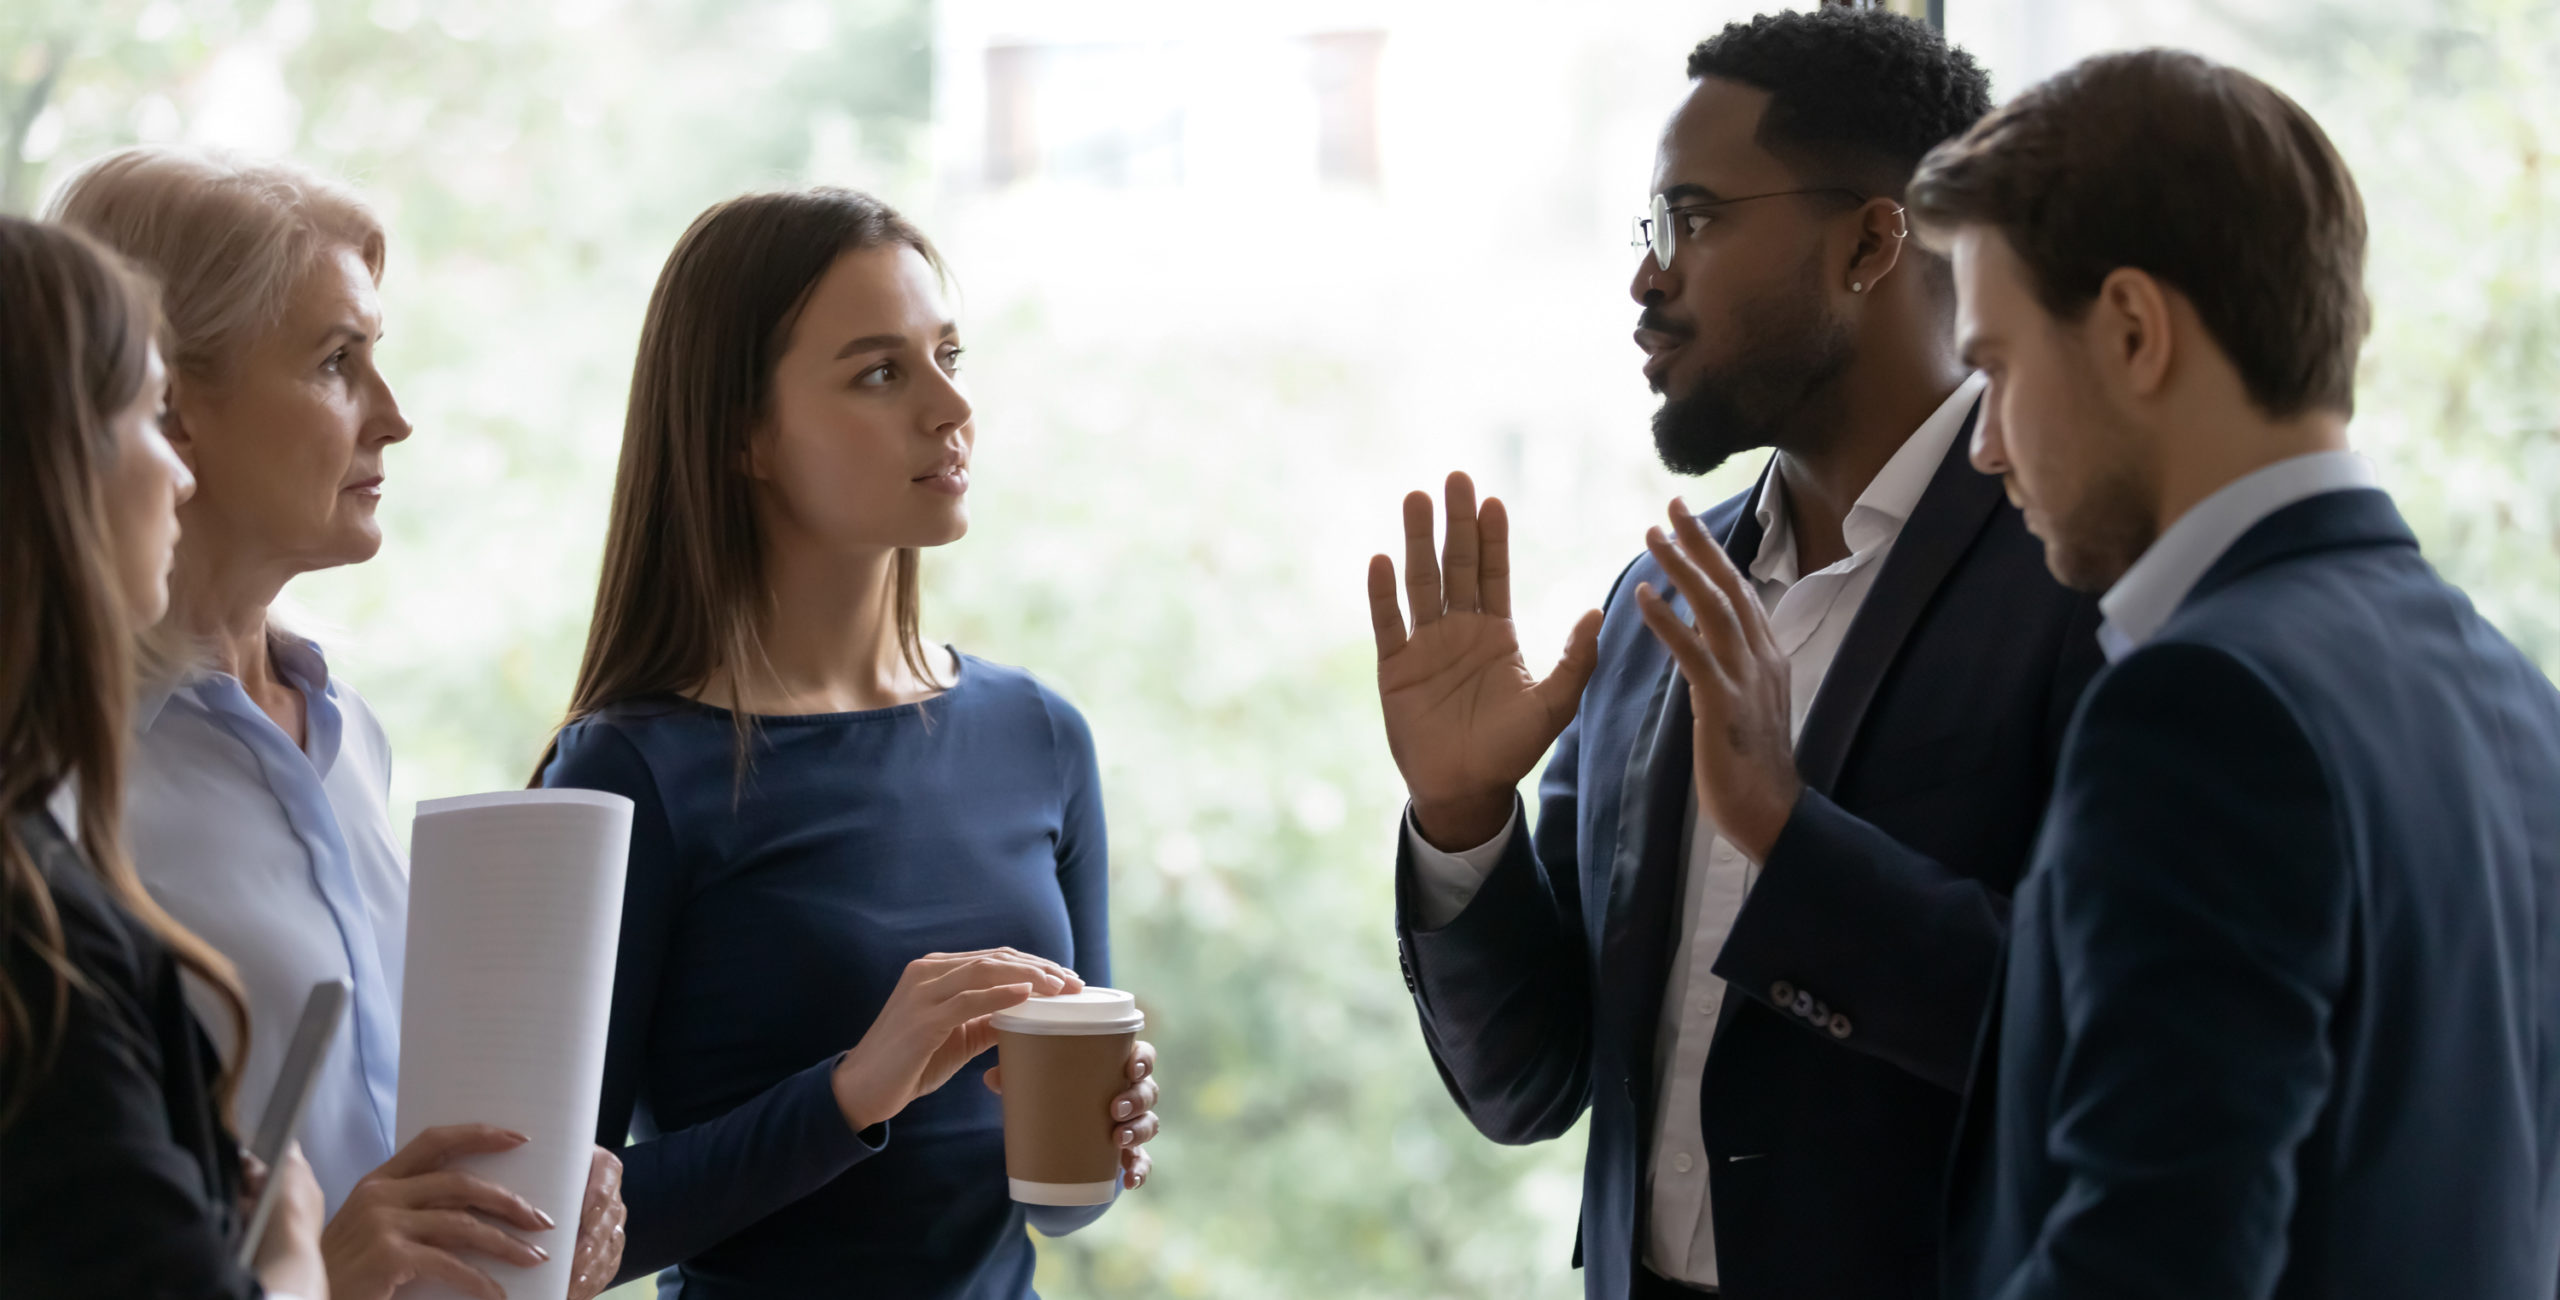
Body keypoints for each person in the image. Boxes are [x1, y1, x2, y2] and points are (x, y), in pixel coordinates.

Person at [1365, 11, 2105, 1298]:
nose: (1647, 279)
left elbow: (2103, 1033)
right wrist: (1460, 818)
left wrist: (1792, 837)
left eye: (1692, 221)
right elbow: (1530, 1083)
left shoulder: (2075, 578)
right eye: (1648, 231)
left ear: (1872, 242)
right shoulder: (1655, 603)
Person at [1910, 49, 2560, 1300]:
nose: (1984, 444)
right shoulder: (2515, 700)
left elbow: (2150, 1260)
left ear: (2134, 332)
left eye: (1992, 368)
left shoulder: (2202, 709)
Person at [535, 186, 1162, 1299]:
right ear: (745, 436)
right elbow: (544, 1232)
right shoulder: (628, 773)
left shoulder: (1041, 735)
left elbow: (1072, 1205)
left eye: (949, 354)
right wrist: (854, 1090)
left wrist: (1105, 1126)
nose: (950, 405)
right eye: (881, 372)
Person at [49, 148, 628, 1300]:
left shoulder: (347, 728)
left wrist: (530, 1222)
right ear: (171, 405)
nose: (396, 418)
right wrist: (319, 1273)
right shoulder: (58, 780)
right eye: (335, 362)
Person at [0, 214, 330, 1299]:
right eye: (152, 414)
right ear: (58, 463)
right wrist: (290, 1252)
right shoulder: (33, 931)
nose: (179, 475)